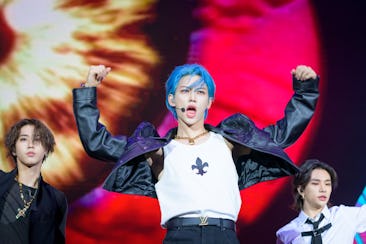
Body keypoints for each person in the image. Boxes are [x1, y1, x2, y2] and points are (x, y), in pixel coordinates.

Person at [73, 63, 319, 243]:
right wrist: (88, 93)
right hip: (180, 235)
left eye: (200, 92)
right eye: (184, 91)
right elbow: (98, 144)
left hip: (224, 235)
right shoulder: (157, 150)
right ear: (171, 99)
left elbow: (282, 135)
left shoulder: (228, 142)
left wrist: (305, 92)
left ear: (209, 102)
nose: (192, 97)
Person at [0, 118, 68, 244]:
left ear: (46, 150)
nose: (30, 144)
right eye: (23, 139)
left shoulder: (56, 199)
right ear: (14, 150)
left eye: (37, 139)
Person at [276, 159, 366, 244]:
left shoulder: (344, 215)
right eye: (315, 183)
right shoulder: (286, 233)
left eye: (327, 184)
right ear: (301, 190)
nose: (323, 189)